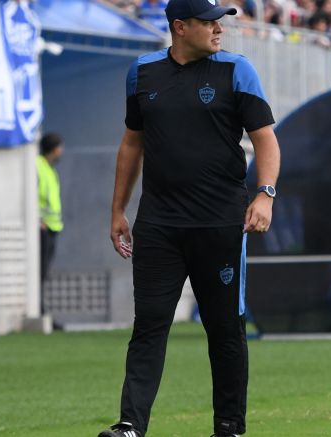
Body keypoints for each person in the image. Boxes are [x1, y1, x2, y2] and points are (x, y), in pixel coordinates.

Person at [100, 0, 281, 435]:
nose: (220, 29)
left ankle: (229, 427)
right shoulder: (141, 73)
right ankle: (130, 426)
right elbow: (131, 144)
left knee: (225, 331)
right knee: (149, 327)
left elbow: (267, 141)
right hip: (159, 225)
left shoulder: (237, 70)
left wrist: (265, 194)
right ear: (180, 27)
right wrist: (118, 210)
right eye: (209, 22)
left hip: (221, 225)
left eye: (221, 21)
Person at [36, 132, 64, 315]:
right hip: (42, 228)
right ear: (53, 149)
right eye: (60, 147)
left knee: (45, 273)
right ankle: (39, 311)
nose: (62, 151)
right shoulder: (38, 166)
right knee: (40, 273)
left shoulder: (49, 168)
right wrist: (37, 220)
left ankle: (42, 310)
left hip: (52, 227)